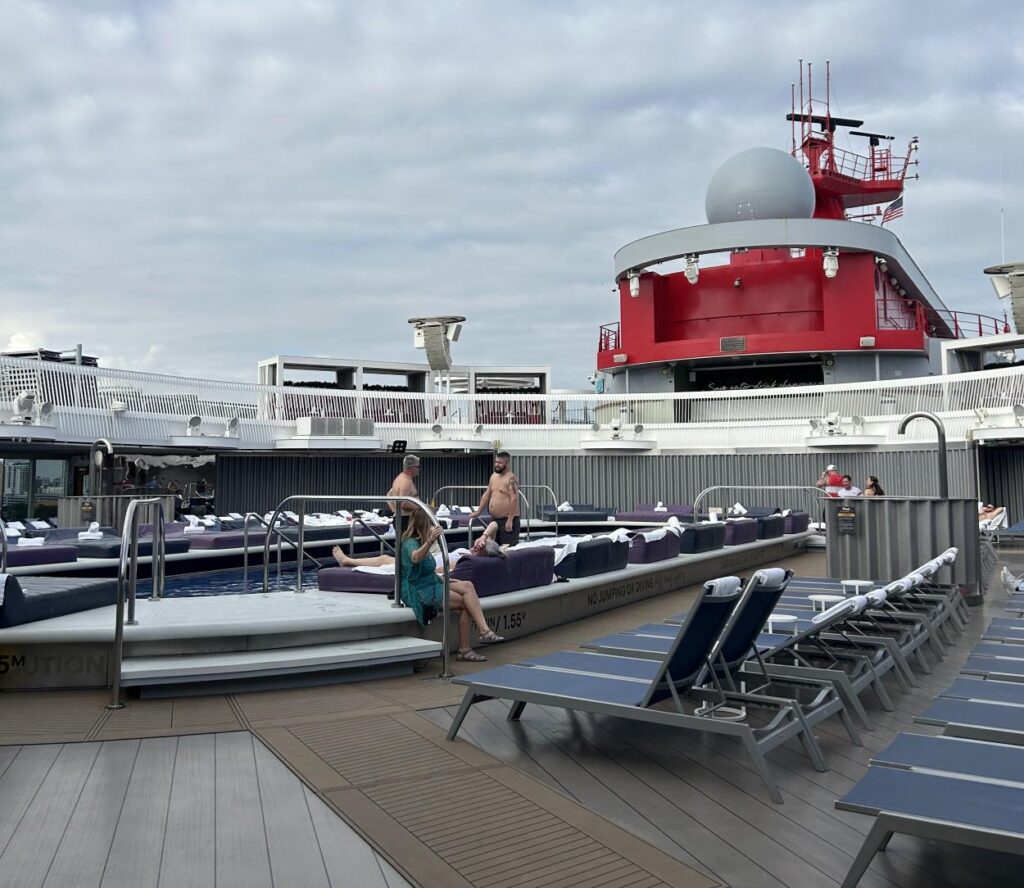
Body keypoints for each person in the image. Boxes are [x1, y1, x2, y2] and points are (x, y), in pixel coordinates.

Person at [400, 507, 504, 662]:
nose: (432, 526)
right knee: (464, 604)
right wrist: (430, 541)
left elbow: (428, 570)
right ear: (424, 524)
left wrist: (445, 580)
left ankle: (484, 631)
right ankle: (465, 649)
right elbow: (415, 558)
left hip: (432, 582)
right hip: (418, 589)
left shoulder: (421, 542)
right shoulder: (410, 543)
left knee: (467, 585)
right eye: (430, 523)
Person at [331, 520, 506, 570]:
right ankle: (348, 560)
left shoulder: (466, 560)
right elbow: (495, 525)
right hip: (431, 556)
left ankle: (347, 561)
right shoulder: (471, 553)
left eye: (478, 547)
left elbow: (441, 569)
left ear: (482, 552)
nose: (475, 546)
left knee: (386, 558)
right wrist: (484, 537)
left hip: (424, 564)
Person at [471, 451, 520, 545]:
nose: (497, 465)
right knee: (494, 549)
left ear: (507, 463)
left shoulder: (510, 478)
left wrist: (510, 521)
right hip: (495, 520)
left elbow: (514, 499)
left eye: (500, 463)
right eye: (496, 462)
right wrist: (478, 511)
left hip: (508, 520)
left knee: (507, 550)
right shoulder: (494, 476)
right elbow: (487, 495)